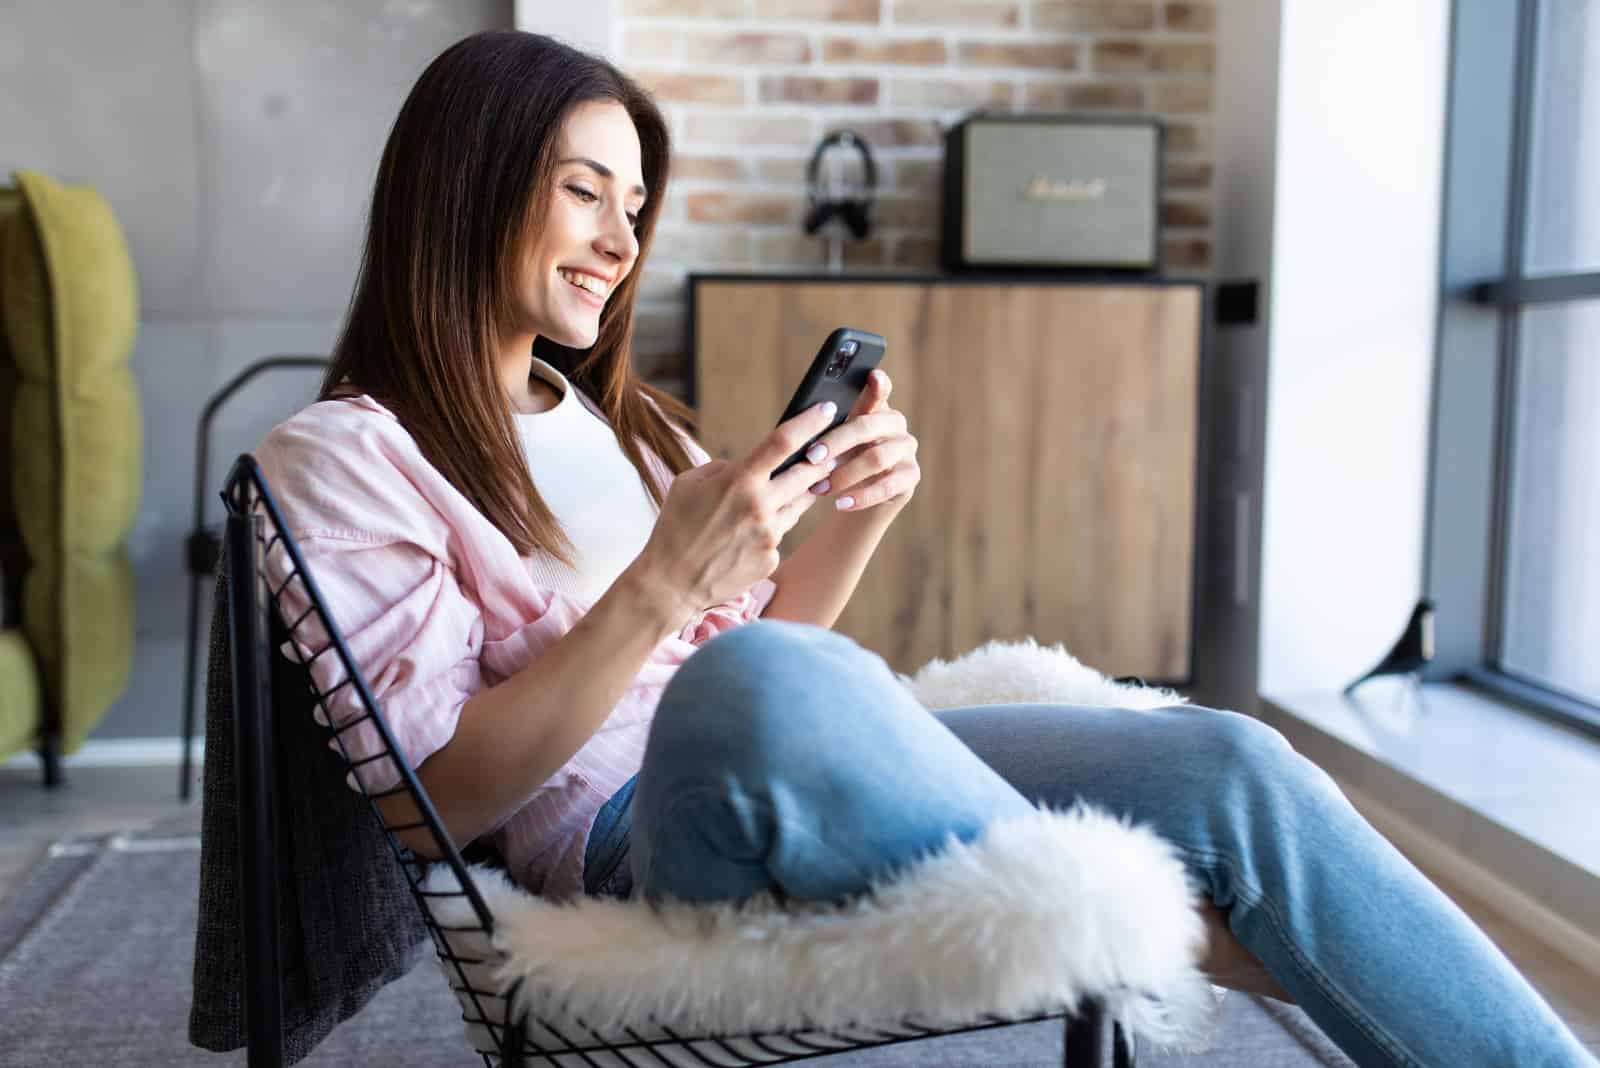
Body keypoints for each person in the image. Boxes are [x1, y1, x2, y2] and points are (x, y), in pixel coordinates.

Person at [253, 30, 1596, 1068]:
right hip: (623, 839)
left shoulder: (627, 422)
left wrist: (857, 515)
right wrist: (664, 581)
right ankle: (1170, 931)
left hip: (788, 758)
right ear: (467, 191)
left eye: (636, 204)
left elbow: (771, 649)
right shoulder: (347, 455)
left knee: (1231, 758)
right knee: (757, 689)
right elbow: (424, 795)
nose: (622, 239)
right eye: (586, 194)